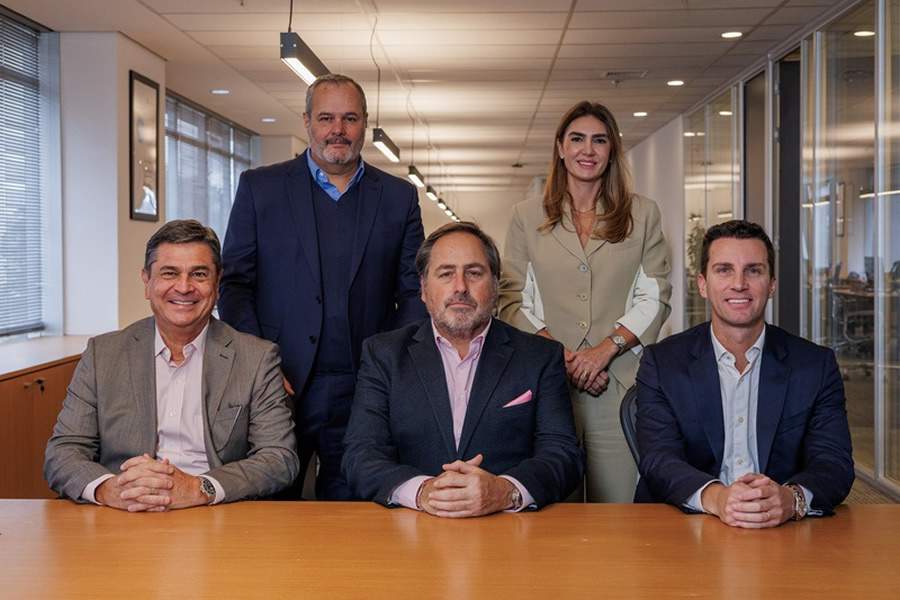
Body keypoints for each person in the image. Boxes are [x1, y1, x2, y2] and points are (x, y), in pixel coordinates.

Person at [218, 74, 427, 500]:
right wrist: (261, 366)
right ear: (308, 122)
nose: (338, 129)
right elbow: (235, 284)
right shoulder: (261, 188)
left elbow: (414, 292)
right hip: (281, 384)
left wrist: (389, 364)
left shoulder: (398, 197)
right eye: (326, 117)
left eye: (349, 118)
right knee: (271, 507)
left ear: (365, 123)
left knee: (353, 511)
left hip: (364, 386)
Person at [44, 220, 299, 511]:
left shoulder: (256, 357)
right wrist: (108, 489)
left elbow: (280, 459)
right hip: (124, 513)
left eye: (199, 274)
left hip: (216, 516)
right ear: (147, 282)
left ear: (217, 284)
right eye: (169, 273)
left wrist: (200, 488)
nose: (184, 287)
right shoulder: (103, 354)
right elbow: (63, 452)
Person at [343, 222, 582, 516]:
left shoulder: (540, 356)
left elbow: (562, 454)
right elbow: (360, 455)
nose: (460, 287)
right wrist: (422, 492)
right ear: (423, 288)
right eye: (445, 274)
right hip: (410, 532)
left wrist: (506, 491)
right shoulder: (383, 355)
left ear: (495, 285)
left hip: (511, 533)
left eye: (474, 273)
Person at [498, 101, 671, 502]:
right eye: (577, 139)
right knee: (553, 512)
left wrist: (602, 352)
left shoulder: (642, 214)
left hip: (617, 382)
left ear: (612, 150)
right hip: (548, 383)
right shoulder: (526, 216)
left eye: (599, 140)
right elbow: (512, 297)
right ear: (560, 147)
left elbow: (656, 294)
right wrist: (563, 357)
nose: (587, 150)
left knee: (621, 509)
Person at [635, 220, 854, 527]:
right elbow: (658, 460)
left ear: (772, 283)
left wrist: (791, 499)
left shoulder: (814, 365)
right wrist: (717, 498)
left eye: (754, 270)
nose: (739, 283)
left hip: (783, 531)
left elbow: (834, 463)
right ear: (702, 284)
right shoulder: (663, 362)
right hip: (685, 529)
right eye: (724, 269)